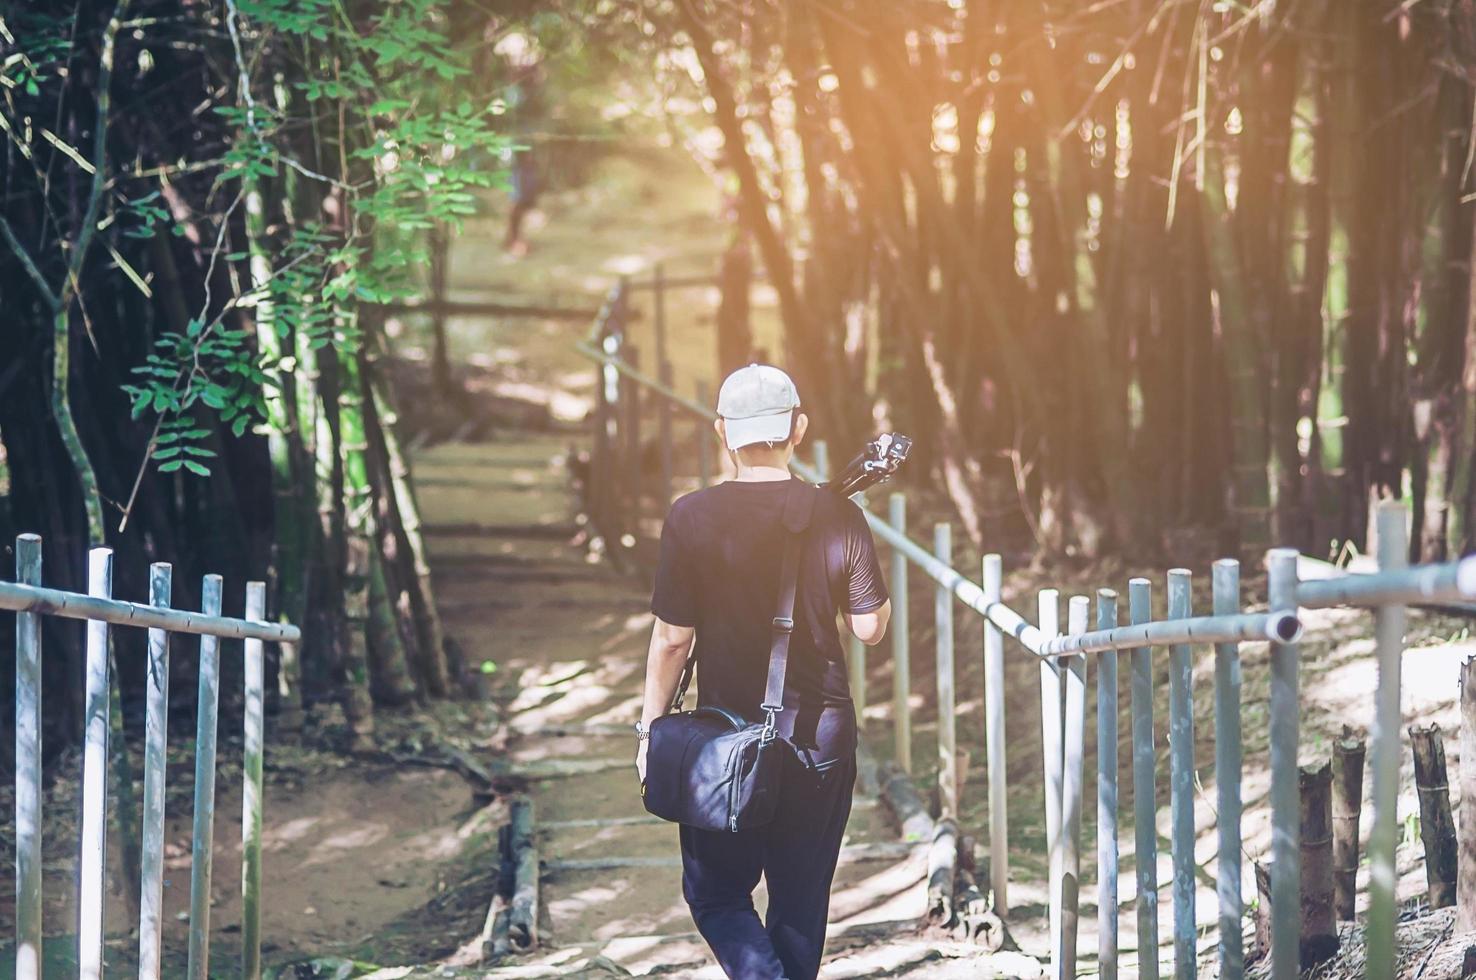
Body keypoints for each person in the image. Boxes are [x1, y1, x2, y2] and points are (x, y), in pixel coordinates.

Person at [634, 364, 892, 980]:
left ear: (723, 432)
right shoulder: (837, 514)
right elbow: (868, 627)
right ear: (797, 429)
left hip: (724, 741)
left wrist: (650, 729)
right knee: (800, 903)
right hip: (819, 736)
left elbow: (672, 640)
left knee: (717, 894)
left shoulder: (690, 517)